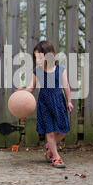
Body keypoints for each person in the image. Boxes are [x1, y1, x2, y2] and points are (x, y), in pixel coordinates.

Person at [20, 40, 73, 168]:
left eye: (40, 56)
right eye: (36, 57)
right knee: (49, 132)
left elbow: (66, 86)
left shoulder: (60, 69)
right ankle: (56, 157)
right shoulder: (37, 71)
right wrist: (21, 91)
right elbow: (31, 88)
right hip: (44, 103)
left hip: (58, 101)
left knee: (64, 129)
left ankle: (50, 147)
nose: (37, 59)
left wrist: (69, 101)